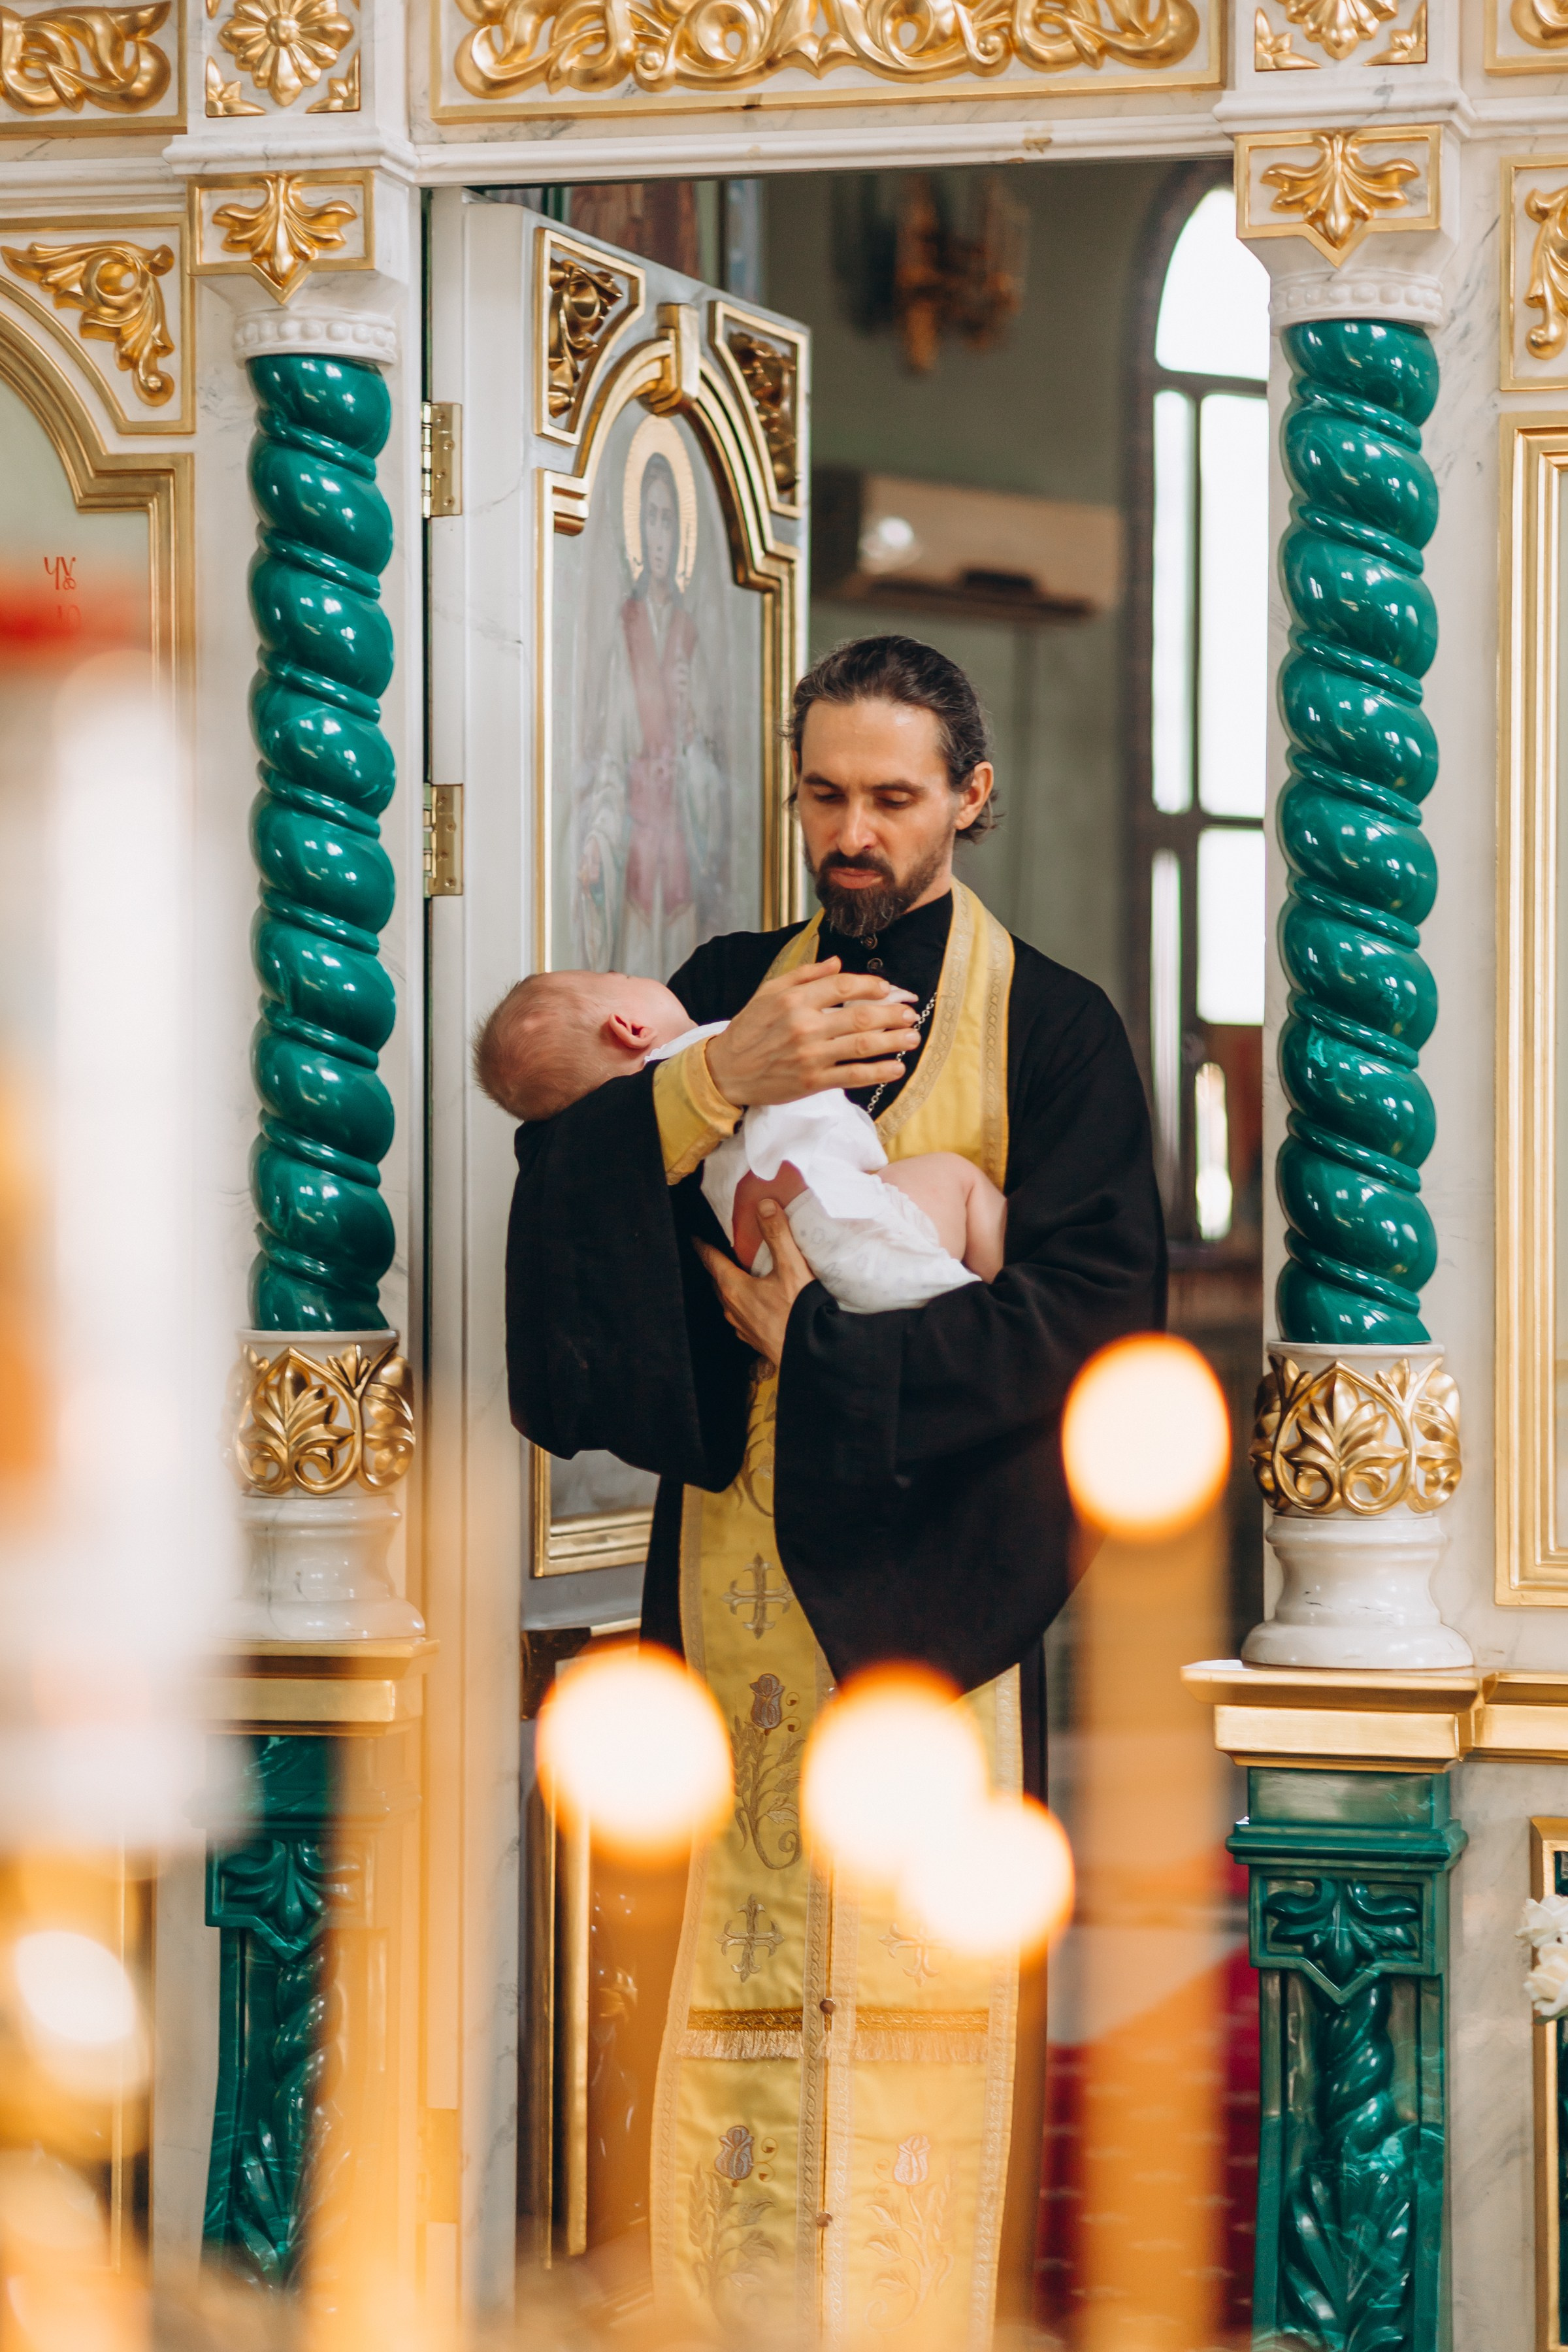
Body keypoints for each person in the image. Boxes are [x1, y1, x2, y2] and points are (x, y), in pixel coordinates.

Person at [503, 636, 1165, 2334]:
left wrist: (827, 1346)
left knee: (922, 2000)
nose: (851, 835)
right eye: (822, 796)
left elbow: (1100, 1326)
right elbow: (574, 1226)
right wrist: (716, 1081)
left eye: (891, 798)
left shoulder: (1055, 1026)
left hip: (941, 1585)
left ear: (972, 798)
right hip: (726, 1579)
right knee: (707, 1990)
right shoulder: (725, 987)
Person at [472, 966, 1007, 1312]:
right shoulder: (721, 1043)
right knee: (960, 1183)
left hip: (772, 1261)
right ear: (630, 1028)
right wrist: (870, 1002)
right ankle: (998, 1280)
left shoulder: (635, 1129)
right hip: (849, 1223)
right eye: (622, 975)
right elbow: (814, 1027)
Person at [573, 449, 726, 975]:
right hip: (633, 844)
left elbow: (711, 776)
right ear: (637, 532)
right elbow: (609, 757)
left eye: (668, 521)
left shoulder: (689, 634)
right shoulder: (626, 627)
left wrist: (690, 734)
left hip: (680, 848)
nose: (659, 536)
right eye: (651, 520)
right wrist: (597, 840)